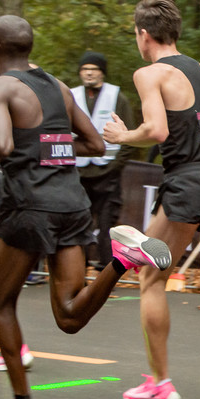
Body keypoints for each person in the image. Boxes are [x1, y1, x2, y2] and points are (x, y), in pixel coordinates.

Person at [0, 15, 171, 399]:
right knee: (70, 316)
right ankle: (123, 259)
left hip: (29, 206)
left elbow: (2, 145)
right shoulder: (58, 87)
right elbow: (94, 143)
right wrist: (47, 144)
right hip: (72, 204)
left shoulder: (2, 87)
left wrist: (28, 148)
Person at [102, 0, 200, 399]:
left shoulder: (149, 73)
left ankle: (160, 383)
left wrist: (122, 136)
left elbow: (155, 130)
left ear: (144, 34)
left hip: (189, 183)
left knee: (150, 277)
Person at [71, 51, 142, 270]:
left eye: (94, 69)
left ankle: (106, 270)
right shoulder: (71, 95)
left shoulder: (116, 96)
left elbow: (129, 135)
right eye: (85, 69)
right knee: (78, 222)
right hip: (79, 174)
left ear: (102, 72)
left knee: (107, 225)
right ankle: (78, 269)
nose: (89, 73)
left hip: (108, 174)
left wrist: (115, 166)